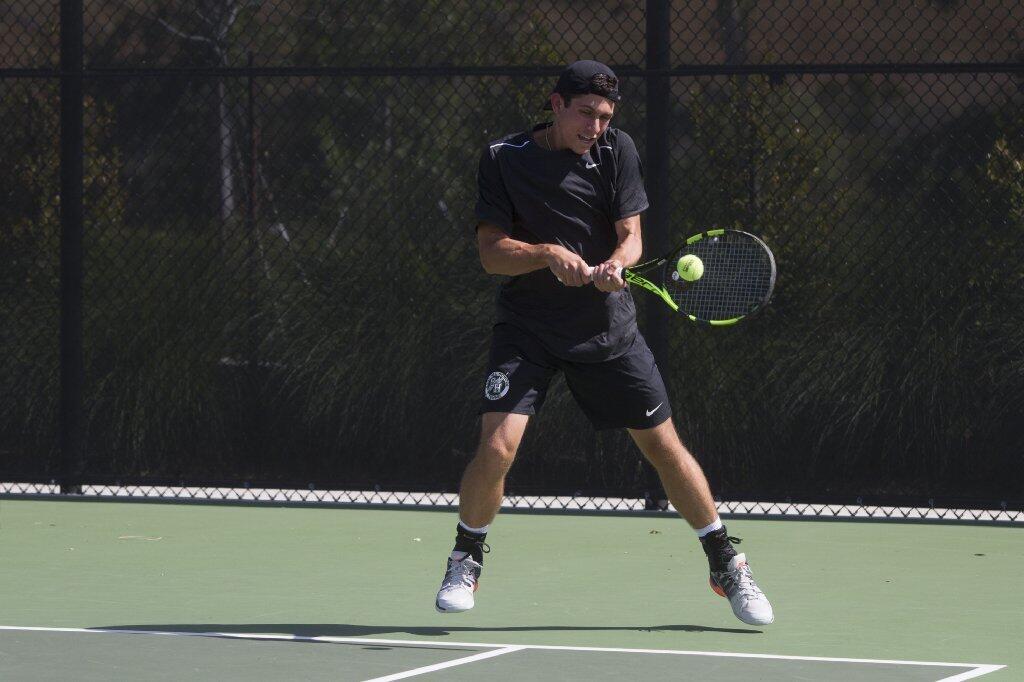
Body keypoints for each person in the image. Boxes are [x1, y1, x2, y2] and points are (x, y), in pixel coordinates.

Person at [434, 60, 773, 626]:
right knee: (495, 449)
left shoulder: (617, 151)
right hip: (529, 328)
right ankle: (466, 556)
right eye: (585, 114)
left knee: (664, 448)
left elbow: (632, 236)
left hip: (605, 329)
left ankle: (725, 563)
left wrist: (616, 263)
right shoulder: (502, 159)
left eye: (605, 116)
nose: (595, 126)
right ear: (556, 104)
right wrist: (545, 253)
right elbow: (491, 254)